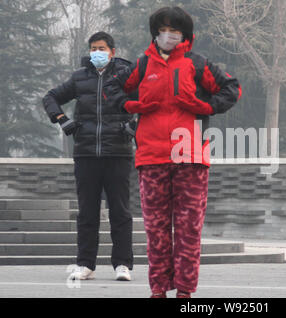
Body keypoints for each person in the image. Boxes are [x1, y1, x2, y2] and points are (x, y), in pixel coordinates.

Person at [109, 6, 241, 298]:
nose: (168, 35)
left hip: (191, 158)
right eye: (163, 29)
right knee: (156, 231)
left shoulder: (197, 63)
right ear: (155, 32)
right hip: (151, 158)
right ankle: (157, 290)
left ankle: (184, 292)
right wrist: (131, 106)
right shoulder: (143, 65)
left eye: (175, 30)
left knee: (188, 232)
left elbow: (231, 88)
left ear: (185, 34)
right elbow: (111, 87)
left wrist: (206, 107)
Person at [42, 32, 136, 281]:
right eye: (94, 48)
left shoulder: (127, 76)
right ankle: (85, 264)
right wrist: (62, 120)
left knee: (120, 211)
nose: (97, 52)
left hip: (118, 151)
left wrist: (134, 127)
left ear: (112, 51)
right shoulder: (79, 77)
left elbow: (147, 102)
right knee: (87, 212)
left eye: (102, 48)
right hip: (85, 153)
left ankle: (122, 265)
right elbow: (50, 97)